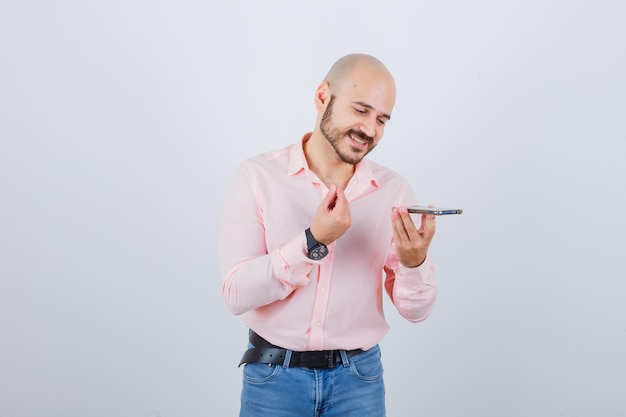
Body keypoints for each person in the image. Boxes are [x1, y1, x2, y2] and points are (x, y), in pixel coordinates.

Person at [219, 53, 438, 417]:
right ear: (323, 97)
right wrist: (312, 242)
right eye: (361, 110)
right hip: (273, 379)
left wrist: (414, 263)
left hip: (359, 382)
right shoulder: (257, 177)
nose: (370, 129)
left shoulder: (393, 191)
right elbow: (235, 293)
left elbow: (416, 312)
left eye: (382, 119)